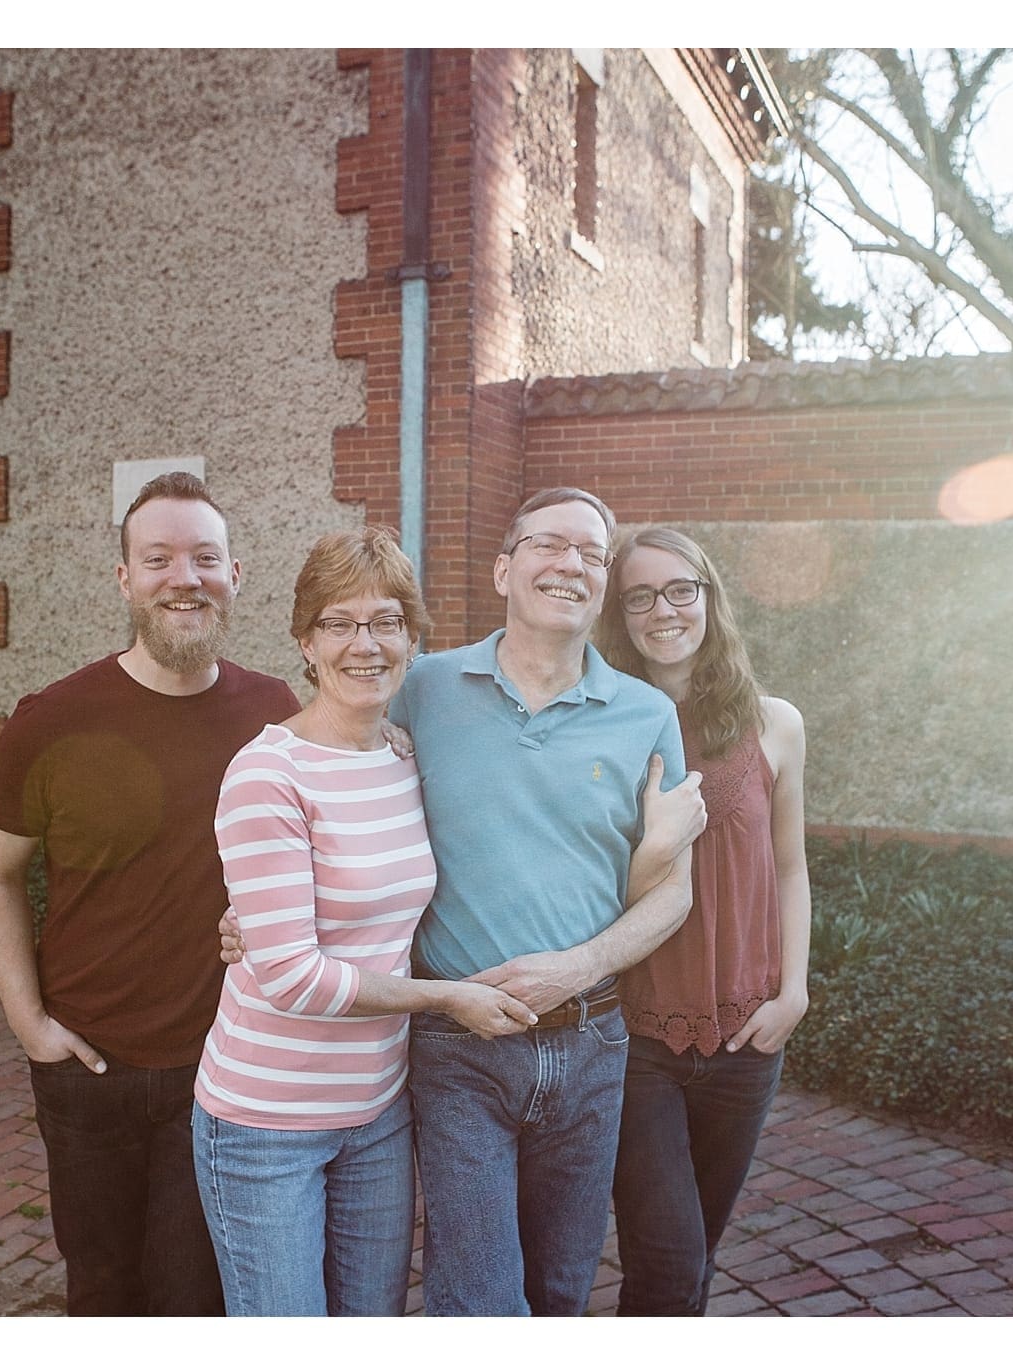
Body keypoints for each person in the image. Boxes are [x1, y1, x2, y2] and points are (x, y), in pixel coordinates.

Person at [0, 470, 299, 1316]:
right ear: (125, 579)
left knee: (195, 1297)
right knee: (105, 1291)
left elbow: (321, 857)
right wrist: (25, 1020)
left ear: (236, 575)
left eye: (204, 557)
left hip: (222, 1072)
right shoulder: (52, 718)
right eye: (158, 558)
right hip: (88, 1068)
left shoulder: (277, 713)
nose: (183, 577)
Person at [192, 526, 537, 1316]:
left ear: (413, 637)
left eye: (386, 621)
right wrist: (448, 998)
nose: (365, 643)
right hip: (263, 1125)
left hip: (377, 1114)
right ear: (305, 641)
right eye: (340, 623)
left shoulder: (404, 756)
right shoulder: (268, 771)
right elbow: (288, 976)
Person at [386, 487, 705, 1316]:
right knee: (478, 1296)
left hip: (594, 1042)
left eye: (592, 554)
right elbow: (335, 787)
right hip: (458, 1044)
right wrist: (265, 906)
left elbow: (675, 892)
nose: (570, 563)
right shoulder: (422, 687)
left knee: (561, 1291)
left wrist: (581, 964)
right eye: (547, 544)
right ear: (504, 567)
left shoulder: (646, 713)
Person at [595, 525, 811, 1315]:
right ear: (620, 613)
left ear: (709, 598)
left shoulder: (774, 722)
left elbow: (789, 866)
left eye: (680, 589)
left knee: (696, 1257)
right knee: (667, 1256)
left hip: (749, 1037)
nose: (664, 609)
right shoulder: (603, 725)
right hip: (636, 1038)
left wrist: (795, 993)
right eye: (640, 595)